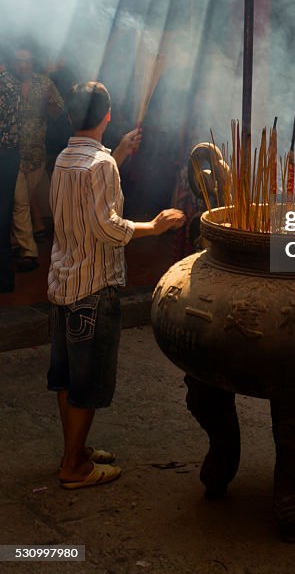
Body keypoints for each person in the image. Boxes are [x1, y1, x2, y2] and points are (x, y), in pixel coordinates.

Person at [47, 81, 185, 490]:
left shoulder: (65, 159)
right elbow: (107, 226)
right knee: (86, 386)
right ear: (107, 116)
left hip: (63, 285)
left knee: (68, 379)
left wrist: (120, 152)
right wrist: (154, 227)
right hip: (93, 288)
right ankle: (74, 466)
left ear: (72, 116)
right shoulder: (100, 166)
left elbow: (89, 199)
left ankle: (75, 450)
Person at [11, 44, 64, 272]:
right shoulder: (6, 85)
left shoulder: (44, 83)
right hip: (11, 156)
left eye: (27, 61)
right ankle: (28, 252)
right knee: (20, 204)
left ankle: (16, 241)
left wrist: (48, 102)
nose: (23, 65)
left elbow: (57, 112)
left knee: (31, 201)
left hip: (36, 155)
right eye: (19, 61)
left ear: (32, 63)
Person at [0, 49, 21, 293]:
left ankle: (4, 278)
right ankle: (5, 279)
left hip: (3, 156)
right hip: (10, 157)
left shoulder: (4, 85)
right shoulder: (13, 83)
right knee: (4, 218)